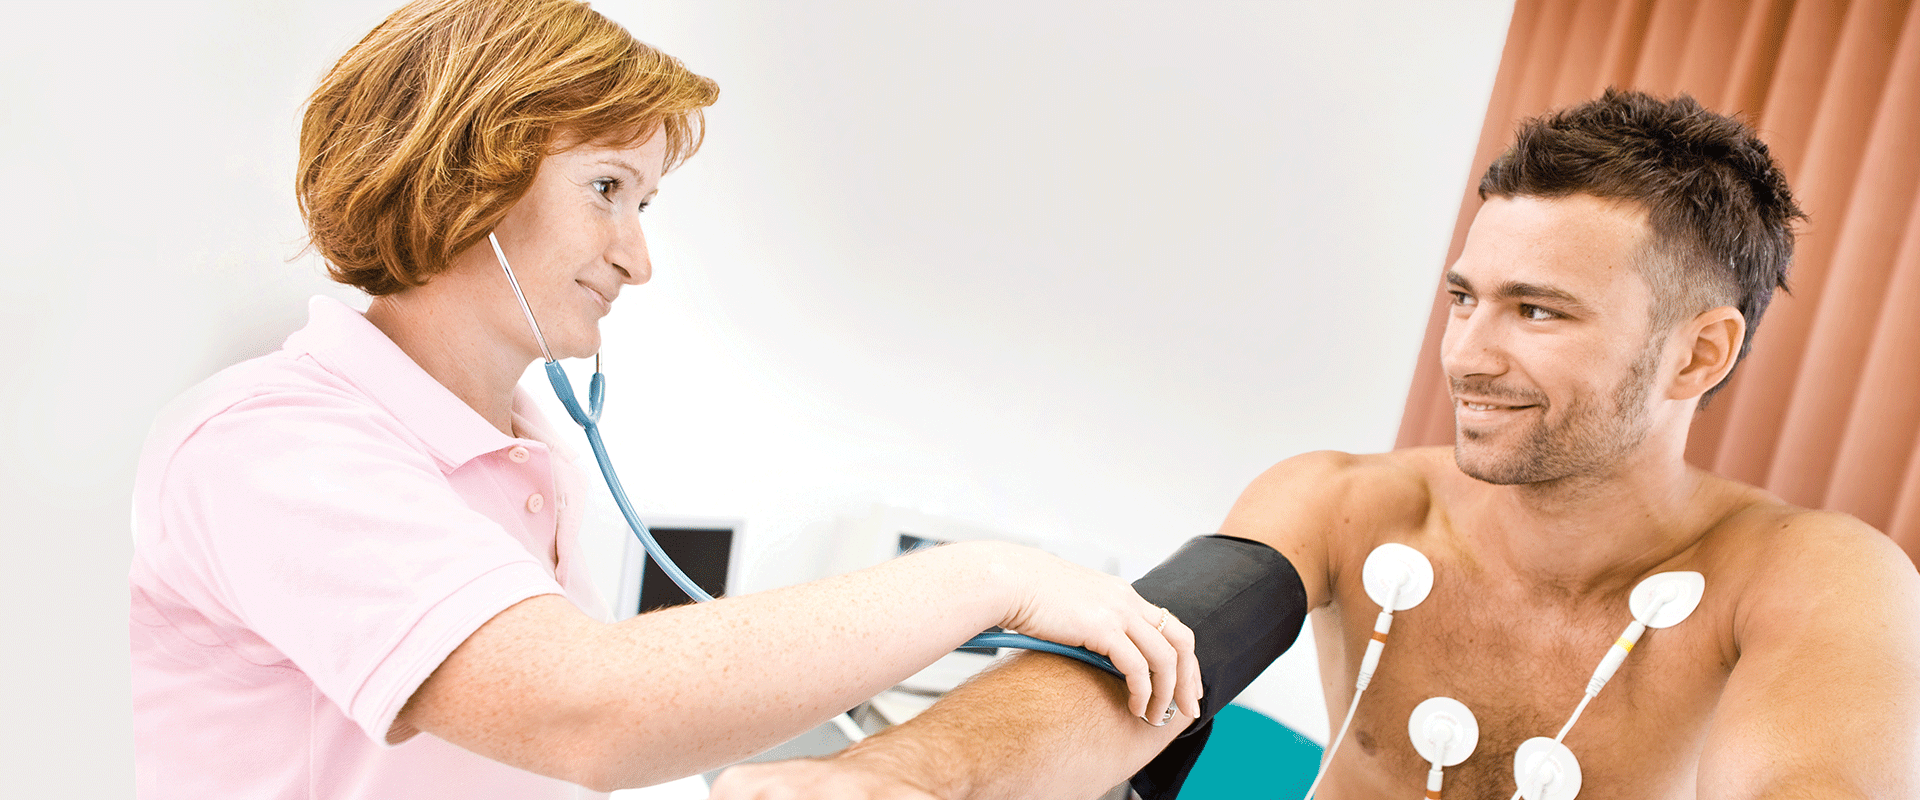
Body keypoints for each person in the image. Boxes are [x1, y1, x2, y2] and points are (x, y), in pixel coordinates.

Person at [708, 90, 1920, 800]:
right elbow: (1148, 663)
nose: (1468, 354)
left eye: (1538, 309)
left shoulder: (1814, 577)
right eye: (1464, 297)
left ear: (1700, 355)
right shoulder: (1344, 501)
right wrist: (895, 783)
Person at [126, 1, 1201, 797]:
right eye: (605, 190)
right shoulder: (271, 449)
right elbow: (587, 711)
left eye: (645, 202)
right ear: (461, 177)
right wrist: (989, 578)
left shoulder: (524, 450)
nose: (636, 259)